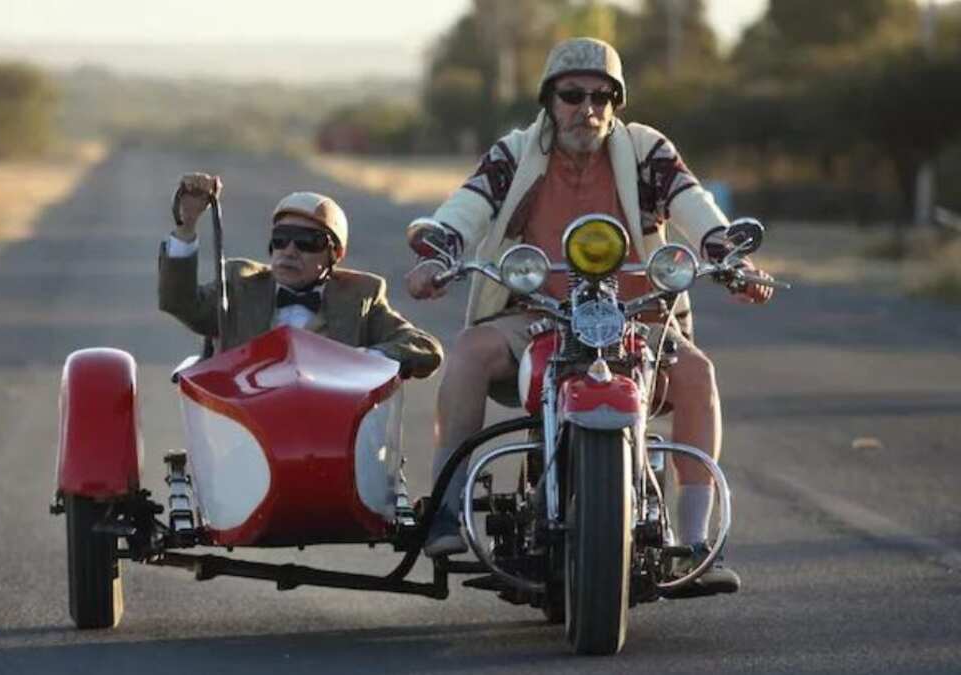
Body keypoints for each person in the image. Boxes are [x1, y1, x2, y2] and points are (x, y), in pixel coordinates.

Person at [405, 38, 772, 594]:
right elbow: (468, 205)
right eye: (572, 95)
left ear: (616, 104)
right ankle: (447, 511)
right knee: (471, 352)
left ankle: (697, 544)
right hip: (539, 311)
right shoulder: (514, 153)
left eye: (603, 97)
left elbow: (693, 203)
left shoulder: (646, 151)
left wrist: (731, 258)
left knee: (697, 372)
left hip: (633, 312)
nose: (588, 109)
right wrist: (440, 252)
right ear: (549, 101)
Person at [160, 173, 442, 379]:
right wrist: (187, 225)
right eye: (281, 239)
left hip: (329, 426)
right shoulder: (239, 284)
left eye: (307, 242)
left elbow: (424, 347)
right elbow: (180, 302)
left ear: (335, 254)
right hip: (244, 427)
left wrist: (367, 359)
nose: (290, 251)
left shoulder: (360, 296)